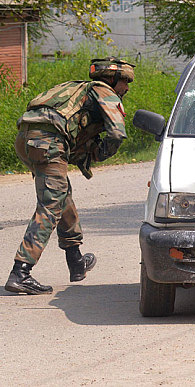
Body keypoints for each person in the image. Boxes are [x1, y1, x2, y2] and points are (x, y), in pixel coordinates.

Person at [4, 57, 135, 295]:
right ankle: (20, 272)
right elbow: (117, 133)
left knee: (62, 196)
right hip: (48, 142)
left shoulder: (76, 88)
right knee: (51, 206)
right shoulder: (105, 92)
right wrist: (101, 153)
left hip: (26, 139)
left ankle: (76, 262)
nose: (126, 89)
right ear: (113, 80)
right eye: (126, 83)